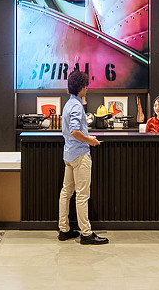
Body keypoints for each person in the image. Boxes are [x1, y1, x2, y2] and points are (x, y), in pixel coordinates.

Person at [57, 70, 109, 245]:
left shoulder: (68, 104)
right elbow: (74, 131)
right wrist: (90, 140)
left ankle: (64, 230)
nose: (87, 88)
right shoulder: (77, 106)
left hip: (68, 154)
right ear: (81, 87)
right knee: (82, 195)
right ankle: (86, 234)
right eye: (86, 85)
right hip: (80, 155)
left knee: (66, 192)